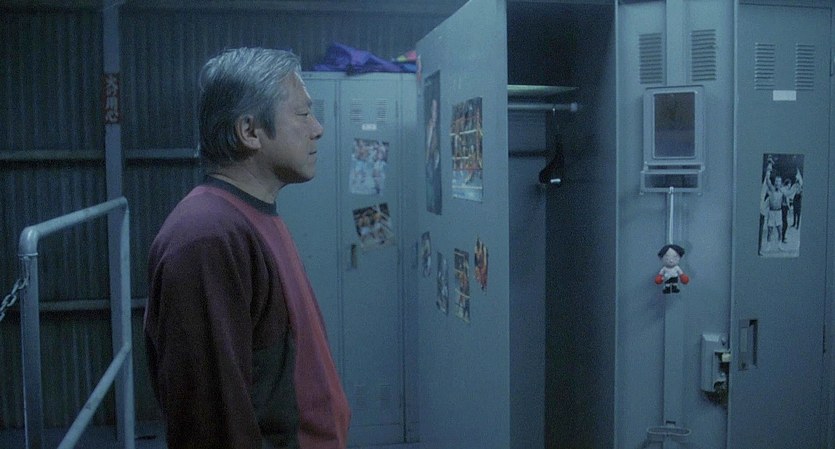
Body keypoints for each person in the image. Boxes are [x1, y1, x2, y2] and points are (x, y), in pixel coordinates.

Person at [144, 47, 350, 449]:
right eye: (303, 114)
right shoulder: (207, 237)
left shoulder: (252, 217)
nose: (318, 128)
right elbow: (211, 425)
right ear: (249, 131)